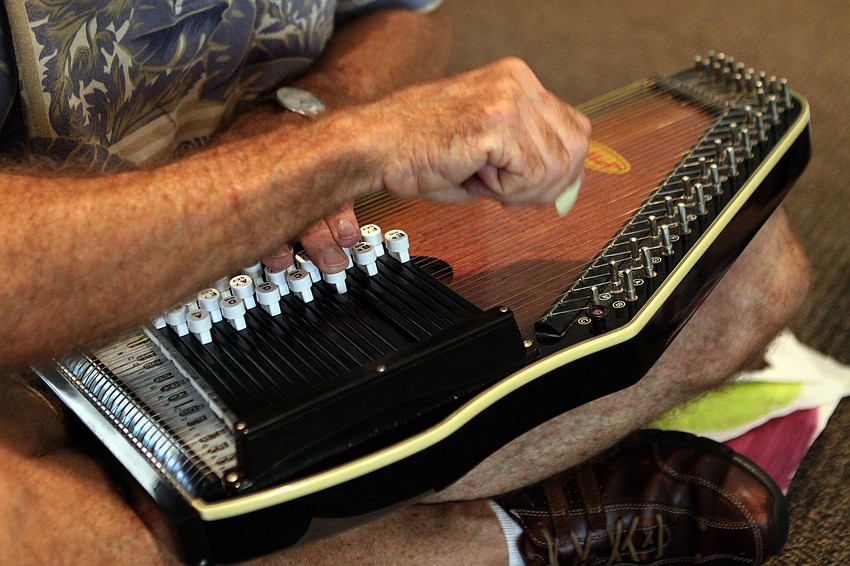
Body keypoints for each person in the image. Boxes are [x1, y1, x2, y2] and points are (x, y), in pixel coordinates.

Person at [0, 1, 808, 564]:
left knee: (751, 270)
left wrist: (313, 112)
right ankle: (504, 533)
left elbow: (409, 14)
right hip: (46, 326)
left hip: (303, 216)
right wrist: (337, 151)